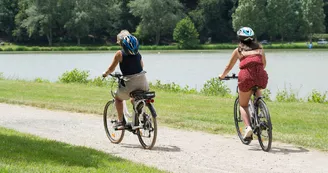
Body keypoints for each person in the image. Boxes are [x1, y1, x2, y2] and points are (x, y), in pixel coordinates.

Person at [219, 27, 268, 139]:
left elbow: (229, 67)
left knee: (243, 104)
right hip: (260, 76)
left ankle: (248, 128)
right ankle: (261, 114)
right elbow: (264, 64)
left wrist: (222, 76)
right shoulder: (260, 49)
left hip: (246, 78)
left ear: (240, 39)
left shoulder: (239, 51)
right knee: (257, 92)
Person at [102, 30, 149, 129]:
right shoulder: (138, 53)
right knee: (135, 98)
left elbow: (111, 69)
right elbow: (142, 66)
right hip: (143, 83)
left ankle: (121, 122)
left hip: (130, 84)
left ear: (121, 42)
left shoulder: (119, 53)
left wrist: (105, 74)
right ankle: (142, 116)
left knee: (118, 99)